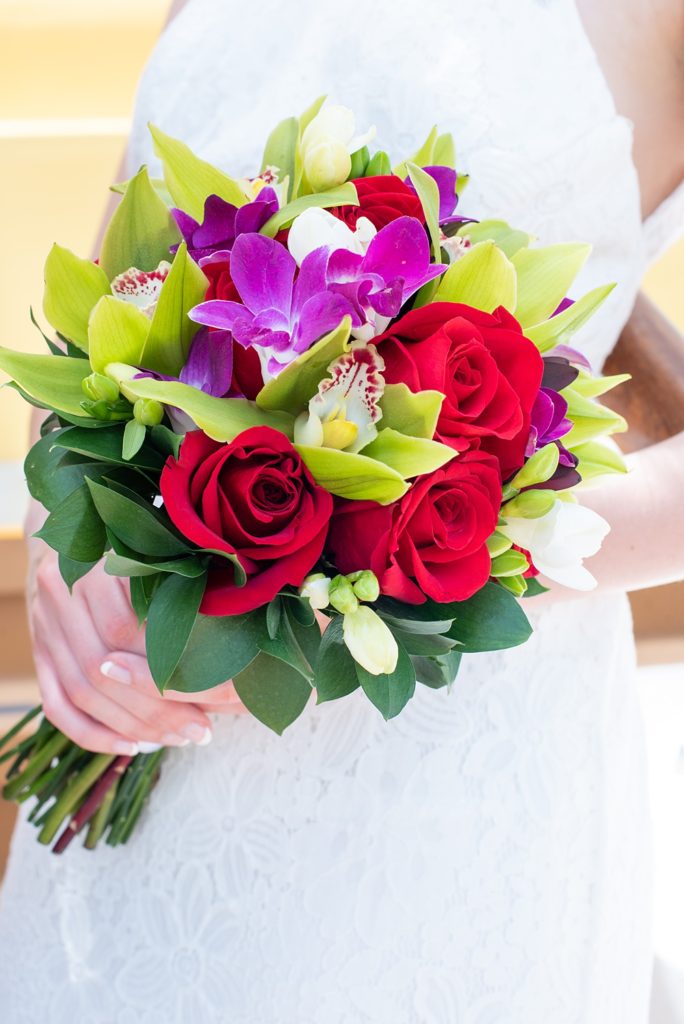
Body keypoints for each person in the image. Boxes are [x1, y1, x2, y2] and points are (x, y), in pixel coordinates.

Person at [1, 0, 683, 1020]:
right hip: (149, 769)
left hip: (450, 788)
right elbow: (103, 327)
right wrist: (67, 556)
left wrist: (427, 543)